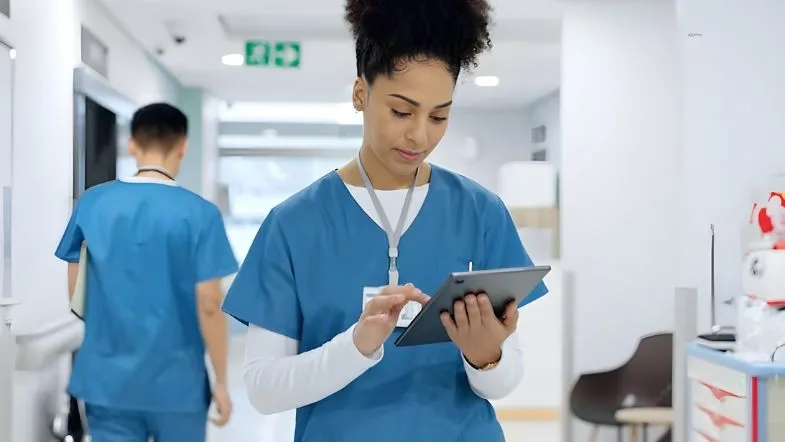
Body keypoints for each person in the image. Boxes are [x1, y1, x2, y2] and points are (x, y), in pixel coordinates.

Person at [221, 0, 549, 440]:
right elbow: (263, 389)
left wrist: (485, 357)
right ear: (361, 94)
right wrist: (355, 346)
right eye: (401, 111)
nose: (420, 135)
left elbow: (505, 381)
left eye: (439, 116)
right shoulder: (293, 225)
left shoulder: (481, 212)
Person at [54, 103, 239, 442]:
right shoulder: (201, 214)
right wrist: (222, 383)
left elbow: (76, 291)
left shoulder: (93, 202)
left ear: (132, 144)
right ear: (183, 145)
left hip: (107, 380)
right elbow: (210, 303)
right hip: (178, 383)